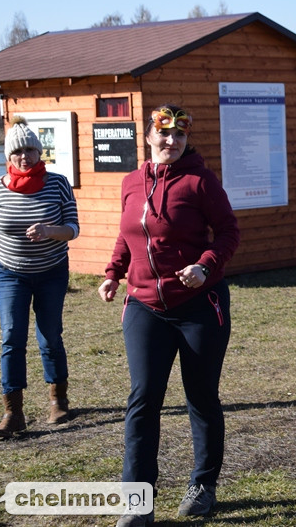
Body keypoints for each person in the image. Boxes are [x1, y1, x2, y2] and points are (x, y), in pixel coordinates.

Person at [98, 104, 240, 526]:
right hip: (144, 306)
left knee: (200, 398)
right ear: (148, 136)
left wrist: (205, 265)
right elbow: (128, 236)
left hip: (198, 306)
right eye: (164, 134)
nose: (172, 141)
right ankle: (138, 502)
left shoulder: (200, 181)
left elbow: (229, 231)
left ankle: (202, 485)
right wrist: (112, 274)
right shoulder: (130, 183)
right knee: (142, 400)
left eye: (180, 135)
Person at [0, 117, 80, 438]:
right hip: (10, 274)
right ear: (9, 156)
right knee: (12, 337)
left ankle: (58, 400)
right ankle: (13, 412)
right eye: (18, 151)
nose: (25, 157)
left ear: (39, 151)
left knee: (49, 336)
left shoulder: (57, 183)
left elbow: (73, 229)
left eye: (31, 149)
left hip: (51, 272)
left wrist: (49, 231)